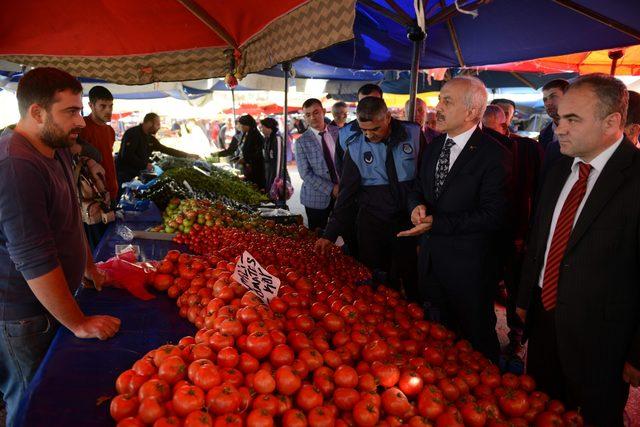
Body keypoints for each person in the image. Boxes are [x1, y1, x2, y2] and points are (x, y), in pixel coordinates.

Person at [0, 68, 121, 426]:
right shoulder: (15, 165)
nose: (81, 121)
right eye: (70, 111)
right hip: (22, 315)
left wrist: (90, 269)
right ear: (36, 113)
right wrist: (79, 323)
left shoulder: (55, 151)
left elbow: (69, 222)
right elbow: (34, 258)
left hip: (48, 305)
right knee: (31, 401)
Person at [517, 74, 640, 425]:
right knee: (542, 408)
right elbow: (540, 239)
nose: (560, 129)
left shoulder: (635, 178)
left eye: (573, 120)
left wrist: (638, 353)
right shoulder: (558, 169)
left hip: (604, 339)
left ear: (612, 121)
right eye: (558, 119)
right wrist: (525, 299)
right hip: (544, 320)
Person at [400, 76, 511, 362]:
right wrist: (415, 208)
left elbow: (492, 215)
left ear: (473, 112)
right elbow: (417, 189)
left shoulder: (494, 155)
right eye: (439, 100)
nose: (438, 107)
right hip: (430, 263)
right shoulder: (435, 146)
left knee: (476, 345)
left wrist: (437, 222)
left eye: (447, 101)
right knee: (438, 341)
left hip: (470, 271)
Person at [316, 97, 422, 300]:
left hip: (408, 224)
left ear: (388, 118)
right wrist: (330, 234)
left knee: (412, 279)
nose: (369, 135)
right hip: (373, 225)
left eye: (375, 129)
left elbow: (424, 177)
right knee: (377, 282)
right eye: (364, 130)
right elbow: (346, 196)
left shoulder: (414, 134)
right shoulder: (355, 148)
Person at [79, 86, 117, 246]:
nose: (108, 110)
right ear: (91, 105)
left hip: (112, 192)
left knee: (111, 240)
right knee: (97, 245)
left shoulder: (110, 130)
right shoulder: (81, 128)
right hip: (93, 197)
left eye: (111, 106)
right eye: (103, 106)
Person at [116, 113, 197, 187]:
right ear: (150, 123)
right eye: (158, 124)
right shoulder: (132, 133)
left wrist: (187, 155)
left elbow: (166, 149)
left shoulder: (150, 138)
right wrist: (144, 165)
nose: (159, 127)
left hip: (136, 175)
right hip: (124, 174)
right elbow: (126, 155)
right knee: (120, 199)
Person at [295, 99, 340, 231]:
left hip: (343, 193)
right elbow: (305, 174)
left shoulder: (339, 133)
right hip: (316, 198)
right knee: (318, 237)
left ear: (324, 112)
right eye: (308, 115)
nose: (313, 117)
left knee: (347, 234)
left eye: (316, 112)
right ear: (304, 117)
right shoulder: (301, 142)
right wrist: (332, 189)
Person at [335, 84, 384, 174]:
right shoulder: (345, 133)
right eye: (364, 103)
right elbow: (341, 168)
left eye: (374, 102)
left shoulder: (401, 130)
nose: (369, 108)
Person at [237, 114, 266, 191]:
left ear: (247, 125)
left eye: (242, 125)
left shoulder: (256, 136)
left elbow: (259, 154)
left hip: (256, 169)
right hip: (248, 167)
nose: (240, 127)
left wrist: (246, 159)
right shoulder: (246, 134)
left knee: (255, 188)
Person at [260, 117, 285, 194]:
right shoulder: (267, 139)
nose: (261, 129)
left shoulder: (277, 139)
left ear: (269, 128)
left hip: (275, 173)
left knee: (276, 195)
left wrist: (277, 179)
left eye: (263, 127)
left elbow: (279, 161)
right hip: (269, 171)